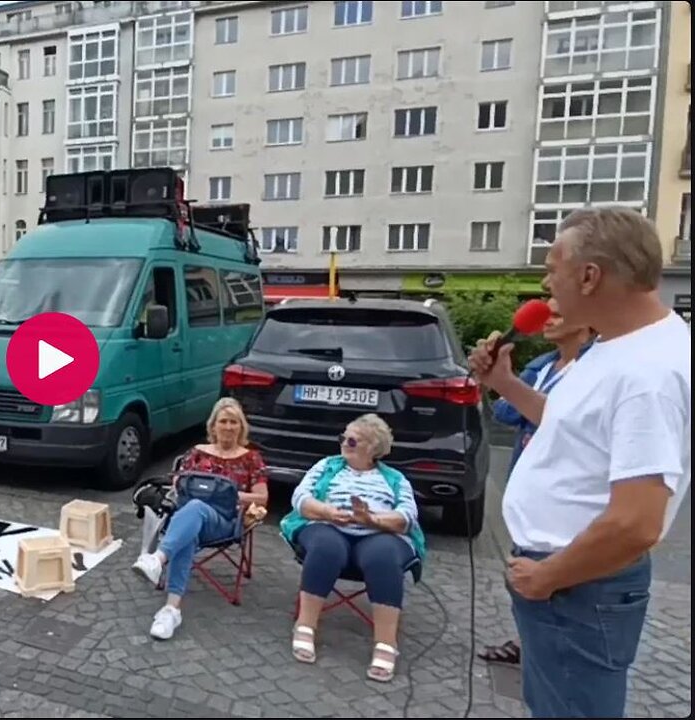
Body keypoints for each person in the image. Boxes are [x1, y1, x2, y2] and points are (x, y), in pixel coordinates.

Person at [468, 207, 691, 719]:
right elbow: (567, 425)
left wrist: (547, 577)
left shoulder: (646, 374)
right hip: (568, 581)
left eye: (552, 267)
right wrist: (504, 385)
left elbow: (637, 522)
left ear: (590, 276)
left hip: (576, 587)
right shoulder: (613, 347)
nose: (545, 283)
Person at [479, 297, 595, 667]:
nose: (548, 319)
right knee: (522, 569)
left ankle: (545, 650)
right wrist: (505, 382)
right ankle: (526, 640)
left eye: (558, 313)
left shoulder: (594, 369)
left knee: (555, 577)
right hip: (530, 483)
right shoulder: (543, 365)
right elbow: (506, 411)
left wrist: (520, 395)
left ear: (587, 321)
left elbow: (570, 426)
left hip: (567, 494)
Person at [279, 413, 426, 682]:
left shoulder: (394, 479)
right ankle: (305, 625)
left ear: (372, 447)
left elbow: (407, 516)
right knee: (326, 547)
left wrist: (372, 519)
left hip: (377, 533)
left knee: (383, 556)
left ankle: (385, 643)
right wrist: (327, 511)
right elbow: (300, 499)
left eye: (352, 440)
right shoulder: (326, 466)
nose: (344, 443)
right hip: (328, 525)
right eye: (343, 437)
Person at [132, 398, 269, 640]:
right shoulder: (197, 452)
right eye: (223, 421)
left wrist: (231, 493)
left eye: (234, 422)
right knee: (189, 528)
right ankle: (171, 609)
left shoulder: (251, 458)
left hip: (225, 523)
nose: (228, 427)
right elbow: (178, 483)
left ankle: (158, 558)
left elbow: (262, 497)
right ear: (213, 425)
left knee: (195, 508)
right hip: (190, 523)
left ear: (241, 426)